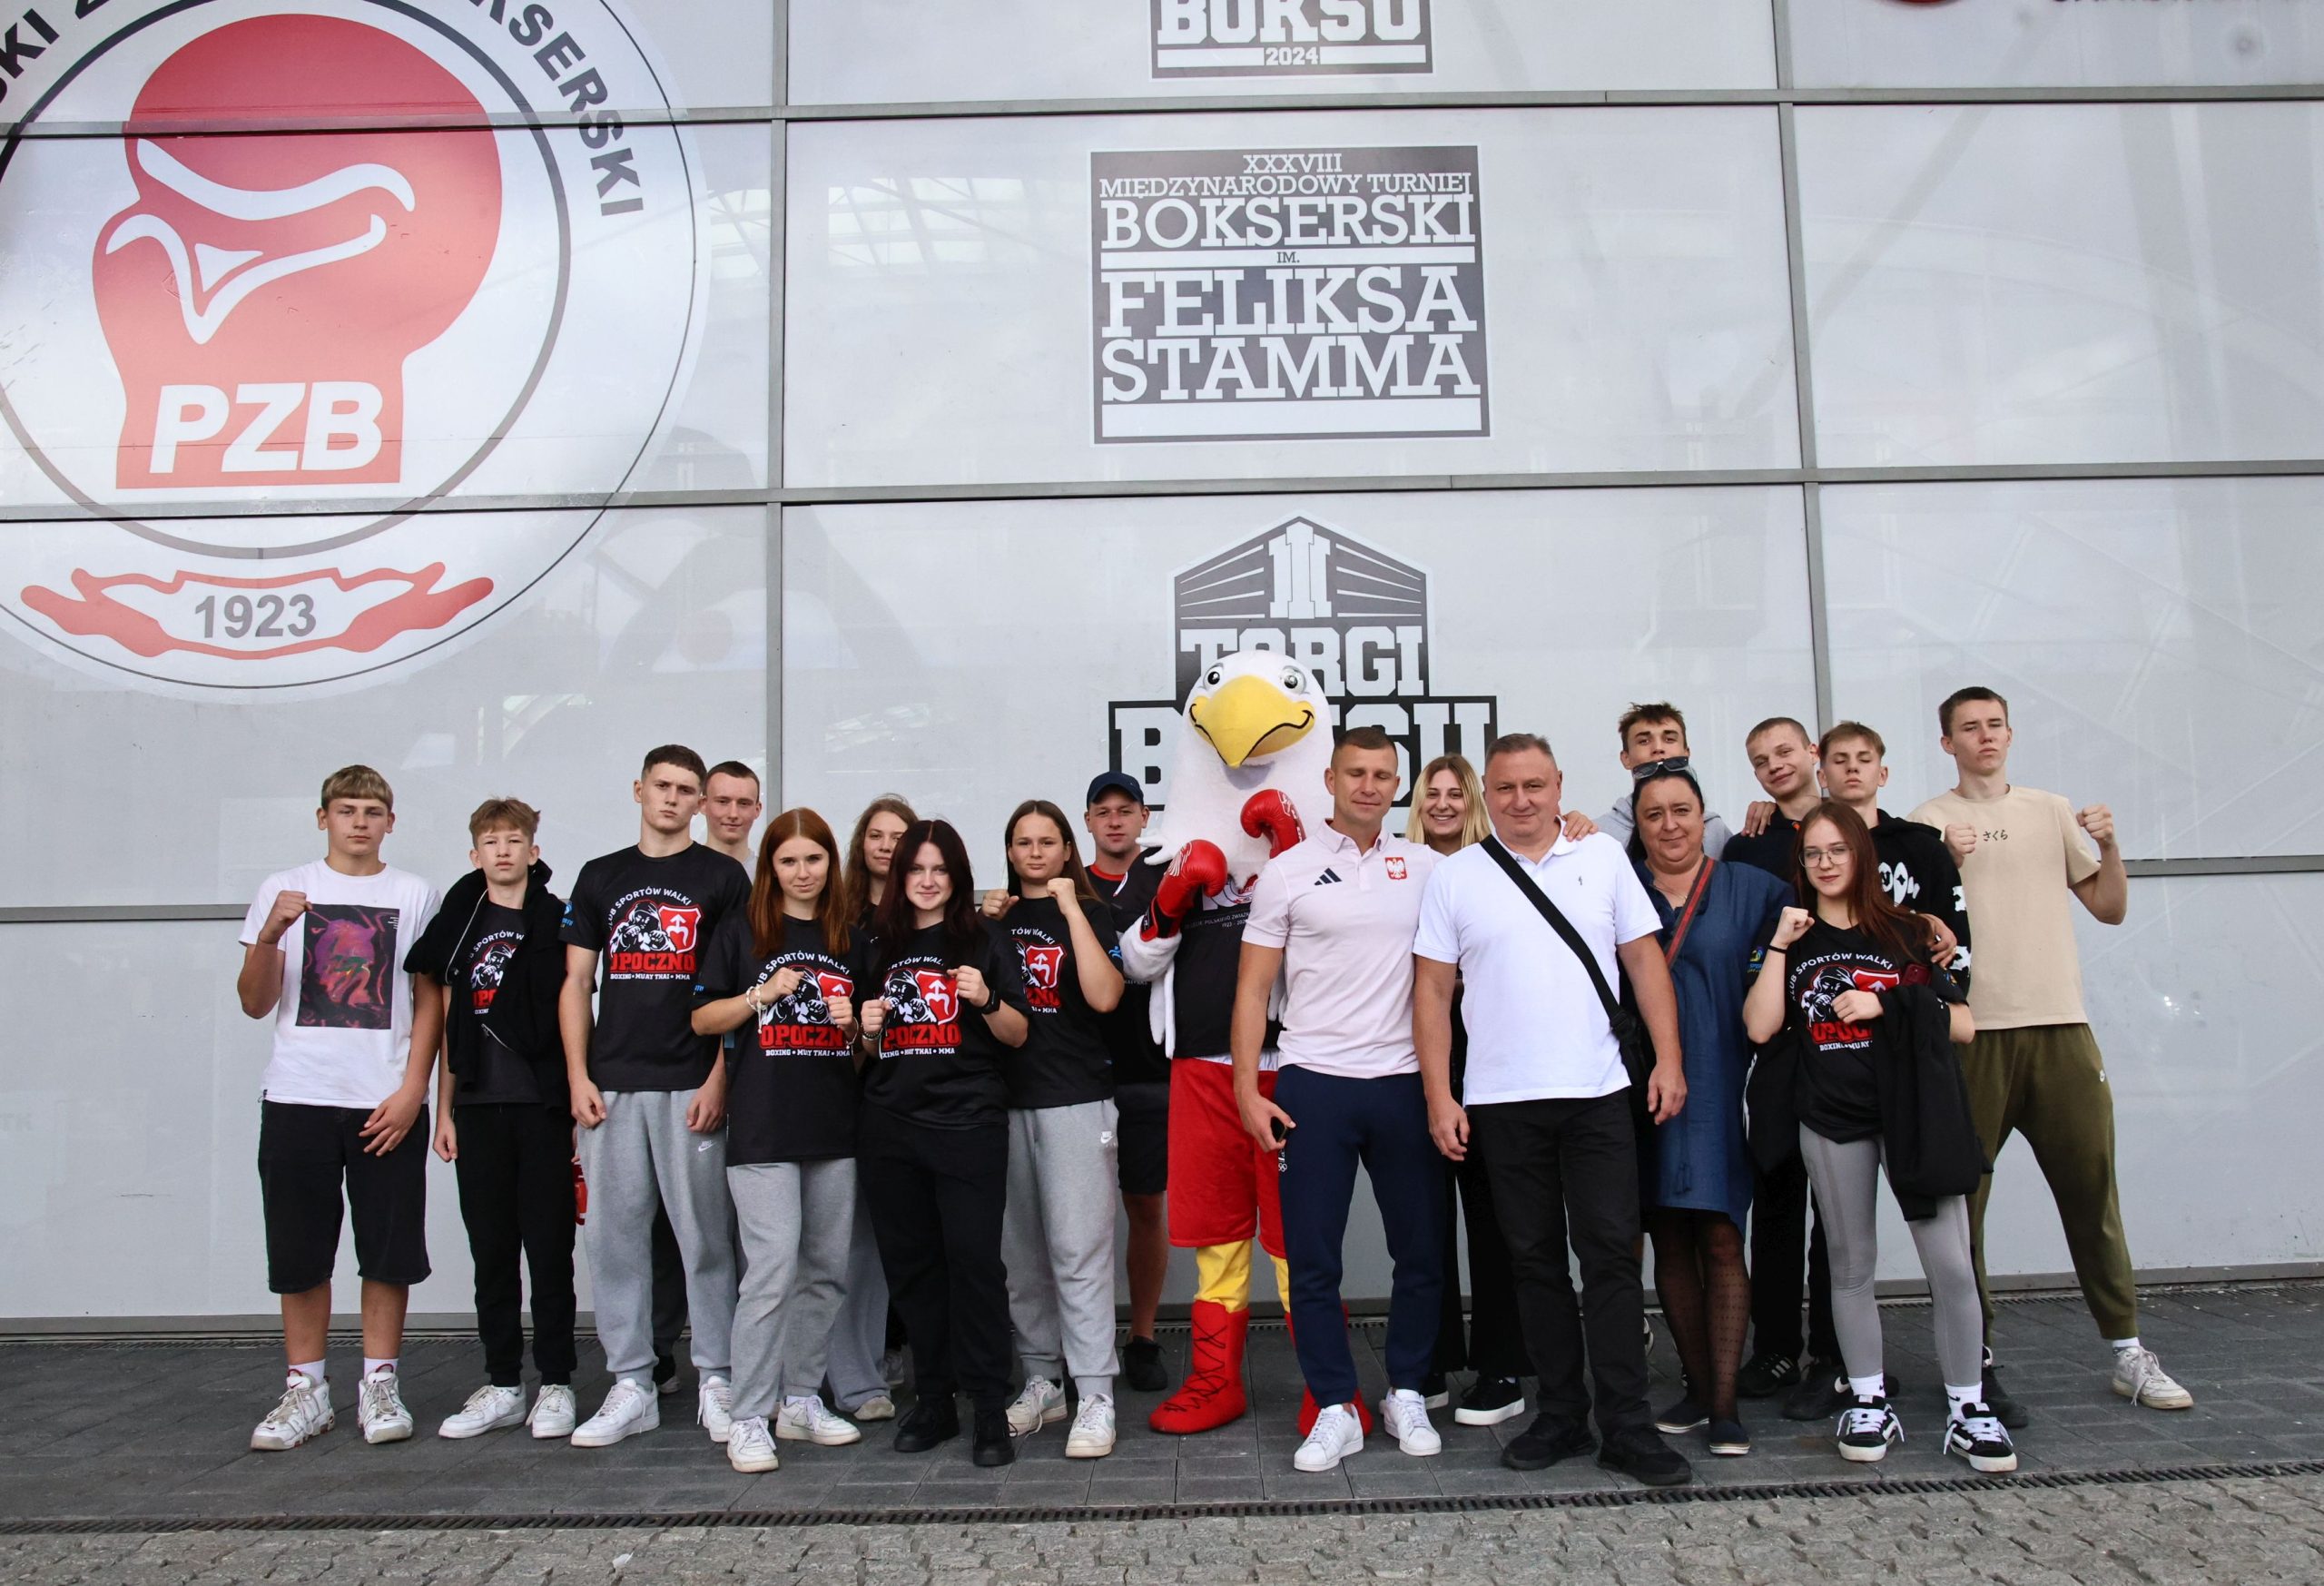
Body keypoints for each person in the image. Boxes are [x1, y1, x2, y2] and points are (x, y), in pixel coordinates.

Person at [1413, 734, 1693, 1488]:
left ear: (1558, 784)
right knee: (1532, 1263)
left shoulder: (1600, 856)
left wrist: (1669, 1059)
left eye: (1534, 785)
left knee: (1609, 1259)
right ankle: (1562, 1414)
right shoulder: (1457, 877)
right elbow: (1431, 990)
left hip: (1598, 1094)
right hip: (1501, 1102)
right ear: (1487, 793)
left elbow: (1644, 961)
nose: (1521, 800)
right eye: (1505, 787)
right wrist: (1440, 1094)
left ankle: (1628, 1425)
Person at [1910, 687, 2193, 1414]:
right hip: (1972, 1032)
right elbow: (1909, 932)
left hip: (2061, 1026)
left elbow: (2109, 907)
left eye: (1994, 725)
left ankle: (2127, 1348)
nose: (1984, 736)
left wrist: (2111, 846)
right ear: (1946, 743)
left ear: (2010, 733)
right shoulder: (1925, 822)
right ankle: (1974, 1353)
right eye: (1969, 728)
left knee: (2092, 1191)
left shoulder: (2051, 809)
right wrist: (1943, 862)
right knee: (1962, 1204)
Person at [1741, 802, 2015, 1472]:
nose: (1825, 863)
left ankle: (1968, 1406)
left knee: (1950, 1266)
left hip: (1913, 1116)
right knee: (1849, 1265)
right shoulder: (1793, 937)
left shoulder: (1907, 930)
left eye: (1837, 850)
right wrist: (1778, 944)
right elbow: (1760, 1026)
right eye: (1813, 853)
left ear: (1861, 854)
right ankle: (1867, 1398)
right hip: (1831, 1117)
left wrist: (1884, 1002)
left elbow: (1963, 1025)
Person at [1236, 728, 1445, 1473]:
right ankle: (1334, 1405)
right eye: (1356, 772)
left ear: (1397, 784)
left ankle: (1407, 1390)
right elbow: (1253, 989)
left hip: (1402, 1081)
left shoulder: (1427, 866)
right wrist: (1245, 1089)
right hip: (1314, 1083)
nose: (1368, 785)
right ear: (1330, 778)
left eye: (1383, 774)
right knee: (1313, 1258)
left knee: (1420, 1251)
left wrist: (1573, 826)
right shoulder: (1286, 871)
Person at [237, 765, 443, 1451]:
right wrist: (270, 933)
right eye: (347, 809)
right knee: (300, 1250)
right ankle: (306, 1389)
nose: (360, 821)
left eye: (373, 811)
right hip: (298, 1093)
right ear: (322, 817)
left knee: (387, 1249)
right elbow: (255, 1002)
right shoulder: (284, 887)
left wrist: (413, 1090)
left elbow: (429, 999)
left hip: (382, 1099)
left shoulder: (414, 894)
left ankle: (379, 1382)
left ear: (391, 822)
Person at [558, 744, 748, 1448]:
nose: (672, 797)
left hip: (690, 1082)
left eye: (686, 789)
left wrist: (719, 1076)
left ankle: (718, 1375)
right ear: (638, 789)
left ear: (701, 802)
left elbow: (739, 989)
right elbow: (577, 982)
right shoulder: (601, 875)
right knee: (613, 1238)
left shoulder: (721, 877)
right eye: (662, 785)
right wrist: (577, 1076)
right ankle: (632, 1381)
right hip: (610, 1084)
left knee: (706, 1238)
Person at [692, 808, 868, 1474]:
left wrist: (856, 1028)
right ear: (770, 867)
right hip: (763, 1127)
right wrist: (759, 994)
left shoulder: (850, 938)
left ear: (831, 863)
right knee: (770, 1271)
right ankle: (748, 1413)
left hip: (833, 1125)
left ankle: (800, 1398)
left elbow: (868, 1047)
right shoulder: (742, 931)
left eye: (813, 859)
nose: (802, 871)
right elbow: (702, 1016)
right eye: (788, 860)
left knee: (824, 1270)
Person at [857, 819, 1032, 1467]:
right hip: (890, 1126)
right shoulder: (876, 943)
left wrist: (985, 999)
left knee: (975, 1265)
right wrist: (865, 1031)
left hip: (967, 1124)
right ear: (899, 875)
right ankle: (934, 1399)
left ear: (957, 876)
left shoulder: (984, 937)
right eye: (916, 869)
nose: (927, 881)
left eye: (939, 870)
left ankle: (988, 1405)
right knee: (913, 1270)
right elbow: (864, 1052)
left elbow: (1018, 1033)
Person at [1626, 765, 1789, 1458]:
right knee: (1667, 1236)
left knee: (1721, 1234)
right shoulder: (1616, 886)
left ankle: (1724, 1405)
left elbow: (1831, 923)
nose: (1669, 825)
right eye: (1654, 813)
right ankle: (1697, 1387)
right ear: (1637, 825)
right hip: (1638, 1085)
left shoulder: (1755, 889)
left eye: (1682, 810)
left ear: (1703, 816)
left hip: (1724, 1078)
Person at [409, 798, 578, 1443]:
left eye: (514, 840)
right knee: (492, 1250)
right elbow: (453, 1023)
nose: (503, 850)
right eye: (491, 841)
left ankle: (557, 1380)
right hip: (478, 1105)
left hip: (542, 1104)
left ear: (534, 852)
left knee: (550, 1247)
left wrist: (576, 1097)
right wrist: (444, 1109)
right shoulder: (461, 922)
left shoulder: (557, 918)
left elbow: (574, 1009)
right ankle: (503, 1381)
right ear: (475, 853)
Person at [982, 801, 1128, 1458]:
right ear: (1010, 851)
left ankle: (1095, 1391)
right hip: (1005, 1102)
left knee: (1079, 1251)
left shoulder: (1092, 913)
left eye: (1047, 841)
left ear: (1068, 848)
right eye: (1023, 842)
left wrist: (1071, 907)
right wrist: (988, 919)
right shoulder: (995, 918)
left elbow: (1105, 996)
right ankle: (1044, 1379)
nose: (1035, 852)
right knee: (1021, 1256)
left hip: (1075, 1098)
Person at [1717, 717, 1841, 1411]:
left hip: (1845, 1042)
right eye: (1761, 759)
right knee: (1777, 1199)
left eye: (1785, 751)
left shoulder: (1851, 833)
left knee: (1840, 1208)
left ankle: (1834, 1351)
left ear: (1812, 752)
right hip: (1776, 1042)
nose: (1775, 765)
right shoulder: (1747, 844)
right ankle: (1775, 1347)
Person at [1406, 754, 1531, 1430]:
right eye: (1433, 793)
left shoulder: (1500, 866)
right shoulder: (1400, 868)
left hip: (1488, 1059)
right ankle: (1428, 1358)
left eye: (1457, 793)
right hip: (1417, 1058)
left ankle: (1502, 1365)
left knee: (1494, 1218)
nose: (1444, 804)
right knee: (1424, 1219)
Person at [652, 758, 758, 1397]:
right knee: (670, 1225)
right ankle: (662, 1350)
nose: (731, 812)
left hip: (734, 1070)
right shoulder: (673, 874)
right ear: (702, 806)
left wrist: (721, 1074)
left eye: (744, 802)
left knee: (738, 1223)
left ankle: (742, 1358)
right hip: (665, 1066)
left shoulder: (764, 878)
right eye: (721, 800)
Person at [825, 795, 919, 1423]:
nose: (887, 846)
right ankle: (849, 1370)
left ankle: (892, 1350)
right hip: (849, 1089)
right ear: (861, 843)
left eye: (899, 836)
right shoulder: (839, 917)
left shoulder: (929, 912)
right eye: (877, 835)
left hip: (913, 1090)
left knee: (898, 1238)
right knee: (849, 1242)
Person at [1082, 773, 1171, 1394]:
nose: (1115, 821)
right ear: (1088, 820)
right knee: (1080, 1219)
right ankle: (1081, 1341)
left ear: (1144, 817)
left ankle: (1142, 1337)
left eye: (1125, 810)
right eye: (1103, 811)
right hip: (1081, 1073)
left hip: (1151, 1069)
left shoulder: (1165, 878)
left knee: (1144, 1205)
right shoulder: (1068, 885)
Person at [1588, 704, 1734, 857]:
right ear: (1626, 758)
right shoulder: (1599, 833)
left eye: (1669, 739)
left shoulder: (1715, 830)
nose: (1658, 748)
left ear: (1686, 753)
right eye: (1644, 741)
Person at [702, 763, 764, 869]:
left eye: (743, 803)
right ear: (703, 805)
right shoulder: (679, 871)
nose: (733, 814)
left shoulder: (770, 875)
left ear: (757, 810)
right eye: (723, 802)